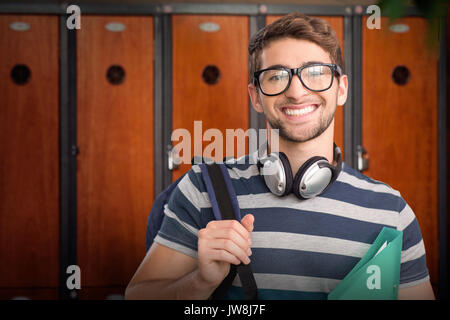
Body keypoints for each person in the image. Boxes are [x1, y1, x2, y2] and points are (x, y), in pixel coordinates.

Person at [125, 12, 435, 300]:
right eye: (276, 76)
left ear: (341, 89)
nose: (296, 92)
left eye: (315, 73)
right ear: (256, 96)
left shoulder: (392, 212)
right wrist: (200, 282)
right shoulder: (203, 188)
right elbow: (137, 295)